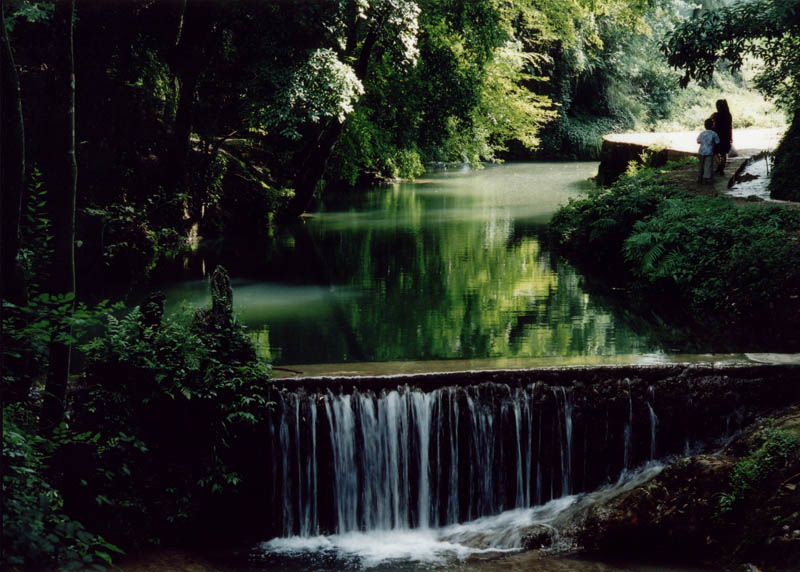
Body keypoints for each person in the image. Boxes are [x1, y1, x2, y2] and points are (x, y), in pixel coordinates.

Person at [710, 99, 733, 174]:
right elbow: (730, 127)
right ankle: (722, 169)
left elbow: (709, 123)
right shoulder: (729, 115)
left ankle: (719, 166)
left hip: (716, 136)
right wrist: (731, 137)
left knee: (715, 152)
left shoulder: (715, 115)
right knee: (724, 153)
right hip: (726, 137)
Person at [697, 117, 720, 185]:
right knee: (708, 165)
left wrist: (703, 142)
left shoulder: (702, 133)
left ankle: (700, 177)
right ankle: (706, 179)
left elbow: (698, 141)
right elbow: (717, 142)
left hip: (701, 151)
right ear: (712, 125)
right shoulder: (714, 133)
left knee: (701, 165)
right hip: (709, 152)